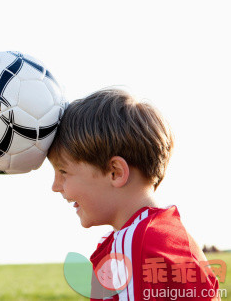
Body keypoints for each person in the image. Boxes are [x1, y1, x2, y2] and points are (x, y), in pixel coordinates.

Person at [48, 89, 221, 300]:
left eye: (63, 172)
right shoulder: (172, 237)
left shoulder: (134, 245)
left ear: (116, 172)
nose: (55, 186)